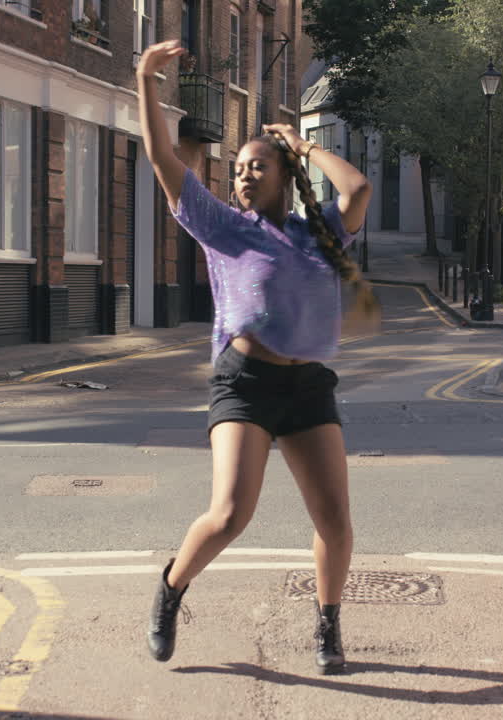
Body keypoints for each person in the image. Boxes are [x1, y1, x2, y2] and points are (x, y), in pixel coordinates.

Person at [136, 40, 378, 675]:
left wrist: (304, 146)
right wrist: (144, 81)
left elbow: (358, 187)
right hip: (243, 383)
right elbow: (163, 156)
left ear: (281, 175)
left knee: (335, 522)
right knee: (229, 515)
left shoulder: (318, 231)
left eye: (254, 166)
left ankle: (328, 629)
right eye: (237, 167)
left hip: (308, 389)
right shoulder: (222, 227)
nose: (242, 174)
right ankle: (170, 589)